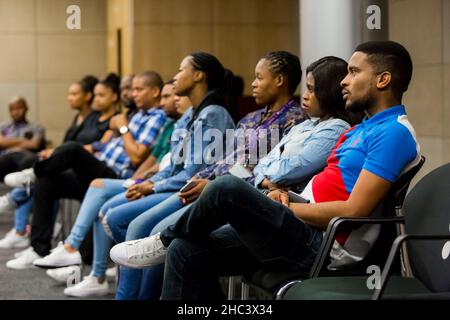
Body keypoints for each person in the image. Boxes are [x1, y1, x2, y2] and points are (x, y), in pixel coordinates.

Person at [112, 40, 421, 300]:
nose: (344, 80)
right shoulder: (361, 128)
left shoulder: (393, 132)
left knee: (227, 188)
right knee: (185, 251)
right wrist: (283, 197)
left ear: (383, 80)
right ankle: (170, 242)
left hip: (326, 245)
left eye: (354, 72)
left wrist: (286, 208)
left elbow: (356, 209)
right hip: (302, 224)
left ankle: (162, 240)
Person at [36, 52, 237, 298]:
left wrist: (151, 185)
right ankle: (126, 284)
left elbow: (192, 173)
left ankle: (129, 291)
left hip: (191, 191)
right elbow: (173, 165)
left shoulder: (212, 113)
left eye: (180, 70)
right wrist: (150, 182)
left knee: (132, 224)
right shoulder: (194, 113)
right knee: (117, 216)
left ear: (198, 75)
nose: (174, 77)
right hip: (175, 184)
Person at [5, 72, 166, 270]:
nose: (133, 94)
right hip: (99, 165)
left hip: (115, 174)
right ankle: (38, 249)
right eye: (132, 89)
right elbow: (103, 144)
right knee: (47, 183)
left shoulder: (158, 117)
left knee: (73, 148)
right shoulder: (135, 115)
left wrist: (123, 129)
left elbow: (137, 156)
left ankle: (31, 175)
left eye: (138, 89)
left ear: (155, 91)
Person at [0, 76, 103, 249]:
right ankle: (38, 248)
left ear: (87, 96)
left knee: (38, 164)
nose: (69, 97)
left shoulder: (101, 121)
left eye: (74, 94)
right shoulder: (77, 119)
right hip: (69, 169)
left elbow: (96, 146)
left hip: (90, 174)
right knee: (43, 179)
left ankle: (17, 199)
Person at [0, 97, 45, 181]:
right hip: (6, 157)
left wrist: (9, 143)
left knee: (34, 162)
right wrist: (24, 141)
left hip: (26, 157)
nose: (15, 112)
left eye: (18, 108)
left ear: (26, 108)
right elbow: (1, 142)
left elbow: (34, 145)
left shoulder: (36, 127)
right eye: (12, 109)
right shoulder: (2, 126)